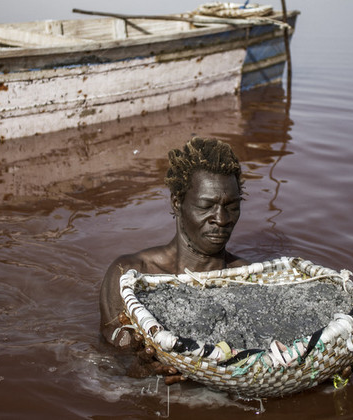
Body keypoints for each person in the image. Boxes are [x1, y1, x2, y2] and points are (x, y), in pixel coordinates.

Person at [98, 136, 249, 382]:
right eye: (206, 206)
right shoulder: (129, 275)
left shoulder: (247, 278)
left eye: (231, 206)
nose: (221, 219)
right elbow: (109, 365)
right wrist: (142, 370)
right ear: (177, 203)